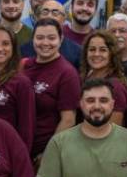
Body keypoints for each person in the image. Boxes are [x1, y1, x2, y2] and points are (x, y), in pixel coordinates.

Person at [20, 19, 81, 157]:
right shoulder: (24, 65)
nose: (45, 43)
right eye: (40, 37)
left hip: (43, 150)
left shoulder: (67, 73)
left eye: (51, 38)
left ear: (61, 39)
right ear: (33, 39)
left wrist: (48, 154)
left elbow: (68, 120)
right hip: (20, 146)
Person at [0, 26, 35, 149]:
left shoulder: (22, 83)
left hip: (6, 148)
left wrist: (21, 158)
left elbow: (26, 129)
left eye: (5, 44)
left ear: (13, 47)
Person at [79, 30, 127, 126]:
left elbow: (114, 129)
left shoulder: (116, 86)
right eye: (92, 49)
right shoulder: (86, 77)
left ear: (112, 53)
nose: (96, 54)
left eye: (103, 50)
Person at [18, 0, 82, 67]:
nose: (49, 16)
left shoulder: (76, 52)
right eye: (45, 12)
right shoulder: (24, 49)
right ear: (38, 17)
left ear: (64, 19)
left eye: (55, 13)